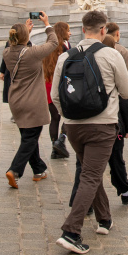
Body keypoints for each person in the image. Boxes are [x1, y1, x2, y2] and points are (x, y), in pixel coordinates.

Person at [52, 11, 128, 255]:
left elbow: (55, 97)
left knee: (91, 170)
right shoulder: (111, 54)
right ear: (103, 30)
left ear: (81, 28)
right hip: (102, 126)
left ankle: (104, 219)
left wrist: (68, 117)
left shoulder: (65, 57)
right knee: (90, 175)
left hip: (73, 127)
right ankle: (71, 231)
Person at [68, 34, 128, 210]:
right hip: (109, 124)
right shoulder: (113, 64)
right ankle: (121, 192)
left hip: (79, 121)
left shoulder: (80, 62)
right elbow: (126, 98)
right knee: (113, 162)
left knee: (84, 166)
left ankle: (81, 201)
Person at [2, 13, 58, 189]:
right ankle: (15, 170)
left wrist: (24, 32)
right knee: (30, 137)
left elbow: (17, 47)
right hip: (32, 101)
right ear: (25, 37)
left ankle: (39, 169)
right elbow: (53, 43)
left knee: (28, 135)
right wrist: (47, 24)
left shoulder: (7, 53)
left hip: (16, 101)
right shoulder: (32, 53)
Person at [43, 21, 72, 159]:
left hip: (48, 84)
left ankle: (55, 147)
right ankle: (61, 140)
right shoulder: (65, 47)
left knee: (54, 118)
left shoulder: (49, 46)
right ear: (62, 32)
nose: (70, 33)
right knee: (68, 116)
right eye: (68, 30)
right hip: (62, 85)